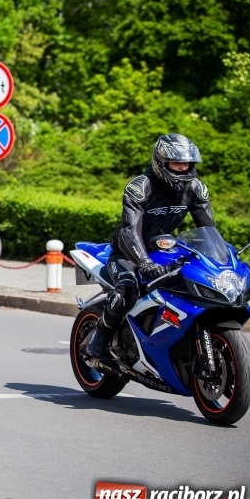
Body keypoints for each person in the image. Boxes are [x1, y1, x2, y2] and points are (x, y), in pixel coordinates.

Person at [86, 133, 215, 359]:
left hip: (165, 250)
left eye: (186, 164)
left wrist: (219, 256)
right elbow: (129, 229)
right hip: (127, 252)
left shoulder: (195, 188)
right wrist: (143, 261)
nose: (182, 168)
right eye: (176, 163)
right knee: (127, 291)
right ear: (160, 162)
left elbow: (208, 230)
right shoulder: (141, 187)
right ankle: (99, 339)